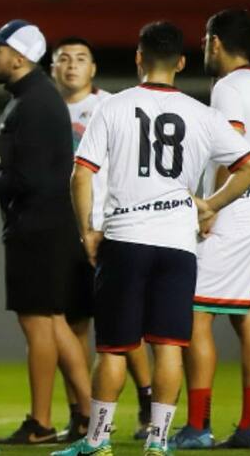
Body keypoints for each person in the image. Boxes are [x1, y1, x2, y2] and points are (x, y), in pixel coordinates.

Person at [53, 21, 250, 456]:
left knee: (114, 348)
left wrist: (86, 231)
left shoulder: (112, 107)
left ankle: (97, 439)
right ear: (182, 63)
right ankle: (159, 440)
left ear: (138, 57)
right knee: (169, 345)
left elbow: (81, 175)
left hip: (126, 239)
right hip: (178, 245)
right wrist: (211, 205)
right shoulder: (202, 114)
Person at [0, 20, 91, 444]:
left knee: (39, 322)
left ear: (20, 57)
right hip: (42, 225)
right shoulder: (29, 98)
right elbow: (7, 167)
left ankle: (43, 423)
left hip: (39, 227)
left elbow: (24, 179)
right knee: (54, 323)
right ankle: (88, 417)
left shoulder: (35, 103)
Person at [170, 9, 250, 450]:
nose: (202, 47)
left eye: (204, 39)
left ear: (215, 42)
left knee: (194, 316)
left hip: (234, 207)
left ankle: (198, 427)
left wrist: (212, 206)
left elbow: (232, 151)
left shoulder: (228, 88)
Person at [51, 37, 153, 441]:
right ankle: (80, 414)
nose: (71, 65)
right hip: (63, 232)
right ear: (52, 68)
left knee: (123, 327)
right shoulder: (46, 111)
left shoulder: (112, 106)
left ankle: (147, 405)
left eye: (81, 58)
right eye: (63, 59)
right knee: (72, 325)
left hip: (108, 229)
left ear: (93, 68)